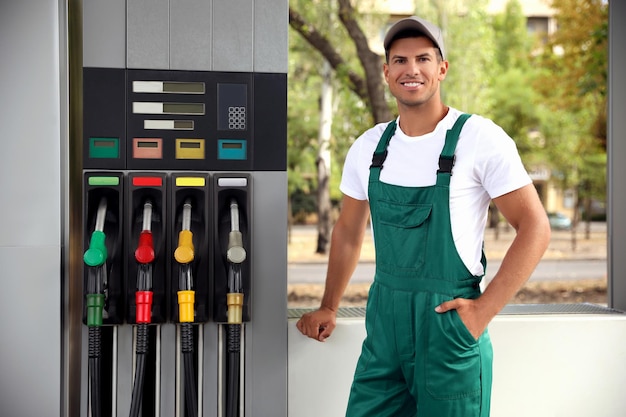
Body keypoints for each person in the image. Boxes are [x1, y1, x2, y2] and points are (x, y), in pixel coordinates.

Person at [296, 15, 551, 417]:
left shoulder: (479, 138)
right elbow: (347, 231)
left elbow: (535, 227)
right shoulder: (369, 148)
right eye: (399, 60)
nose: (411, 69)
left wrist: (482, 313)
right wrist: (329, 305)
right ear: (385, 72)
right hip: (385, 333)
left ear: (442, 68)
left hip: (449, 330)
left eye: (423, 59)